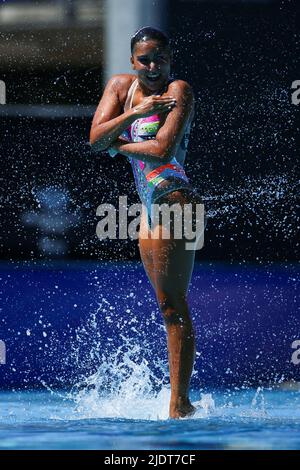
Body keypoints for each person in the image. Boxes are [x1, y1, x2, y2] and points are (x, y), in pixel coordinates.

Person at [90, 26, 206, 418]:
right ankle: (179, 402)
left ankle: (179, 404)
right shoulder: (121, 88)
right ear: (132, 61)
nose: (153, 66)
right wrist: (135, 113)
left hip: (175, 200)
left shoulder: (179, 91)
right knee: (166, 306)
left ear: (170, 59)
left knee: (174, 306)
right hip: (148, 207)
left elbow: (161, 149)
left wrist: (116, 143)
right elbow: (93, 138)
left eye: (160, 58)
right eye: (145, 59)